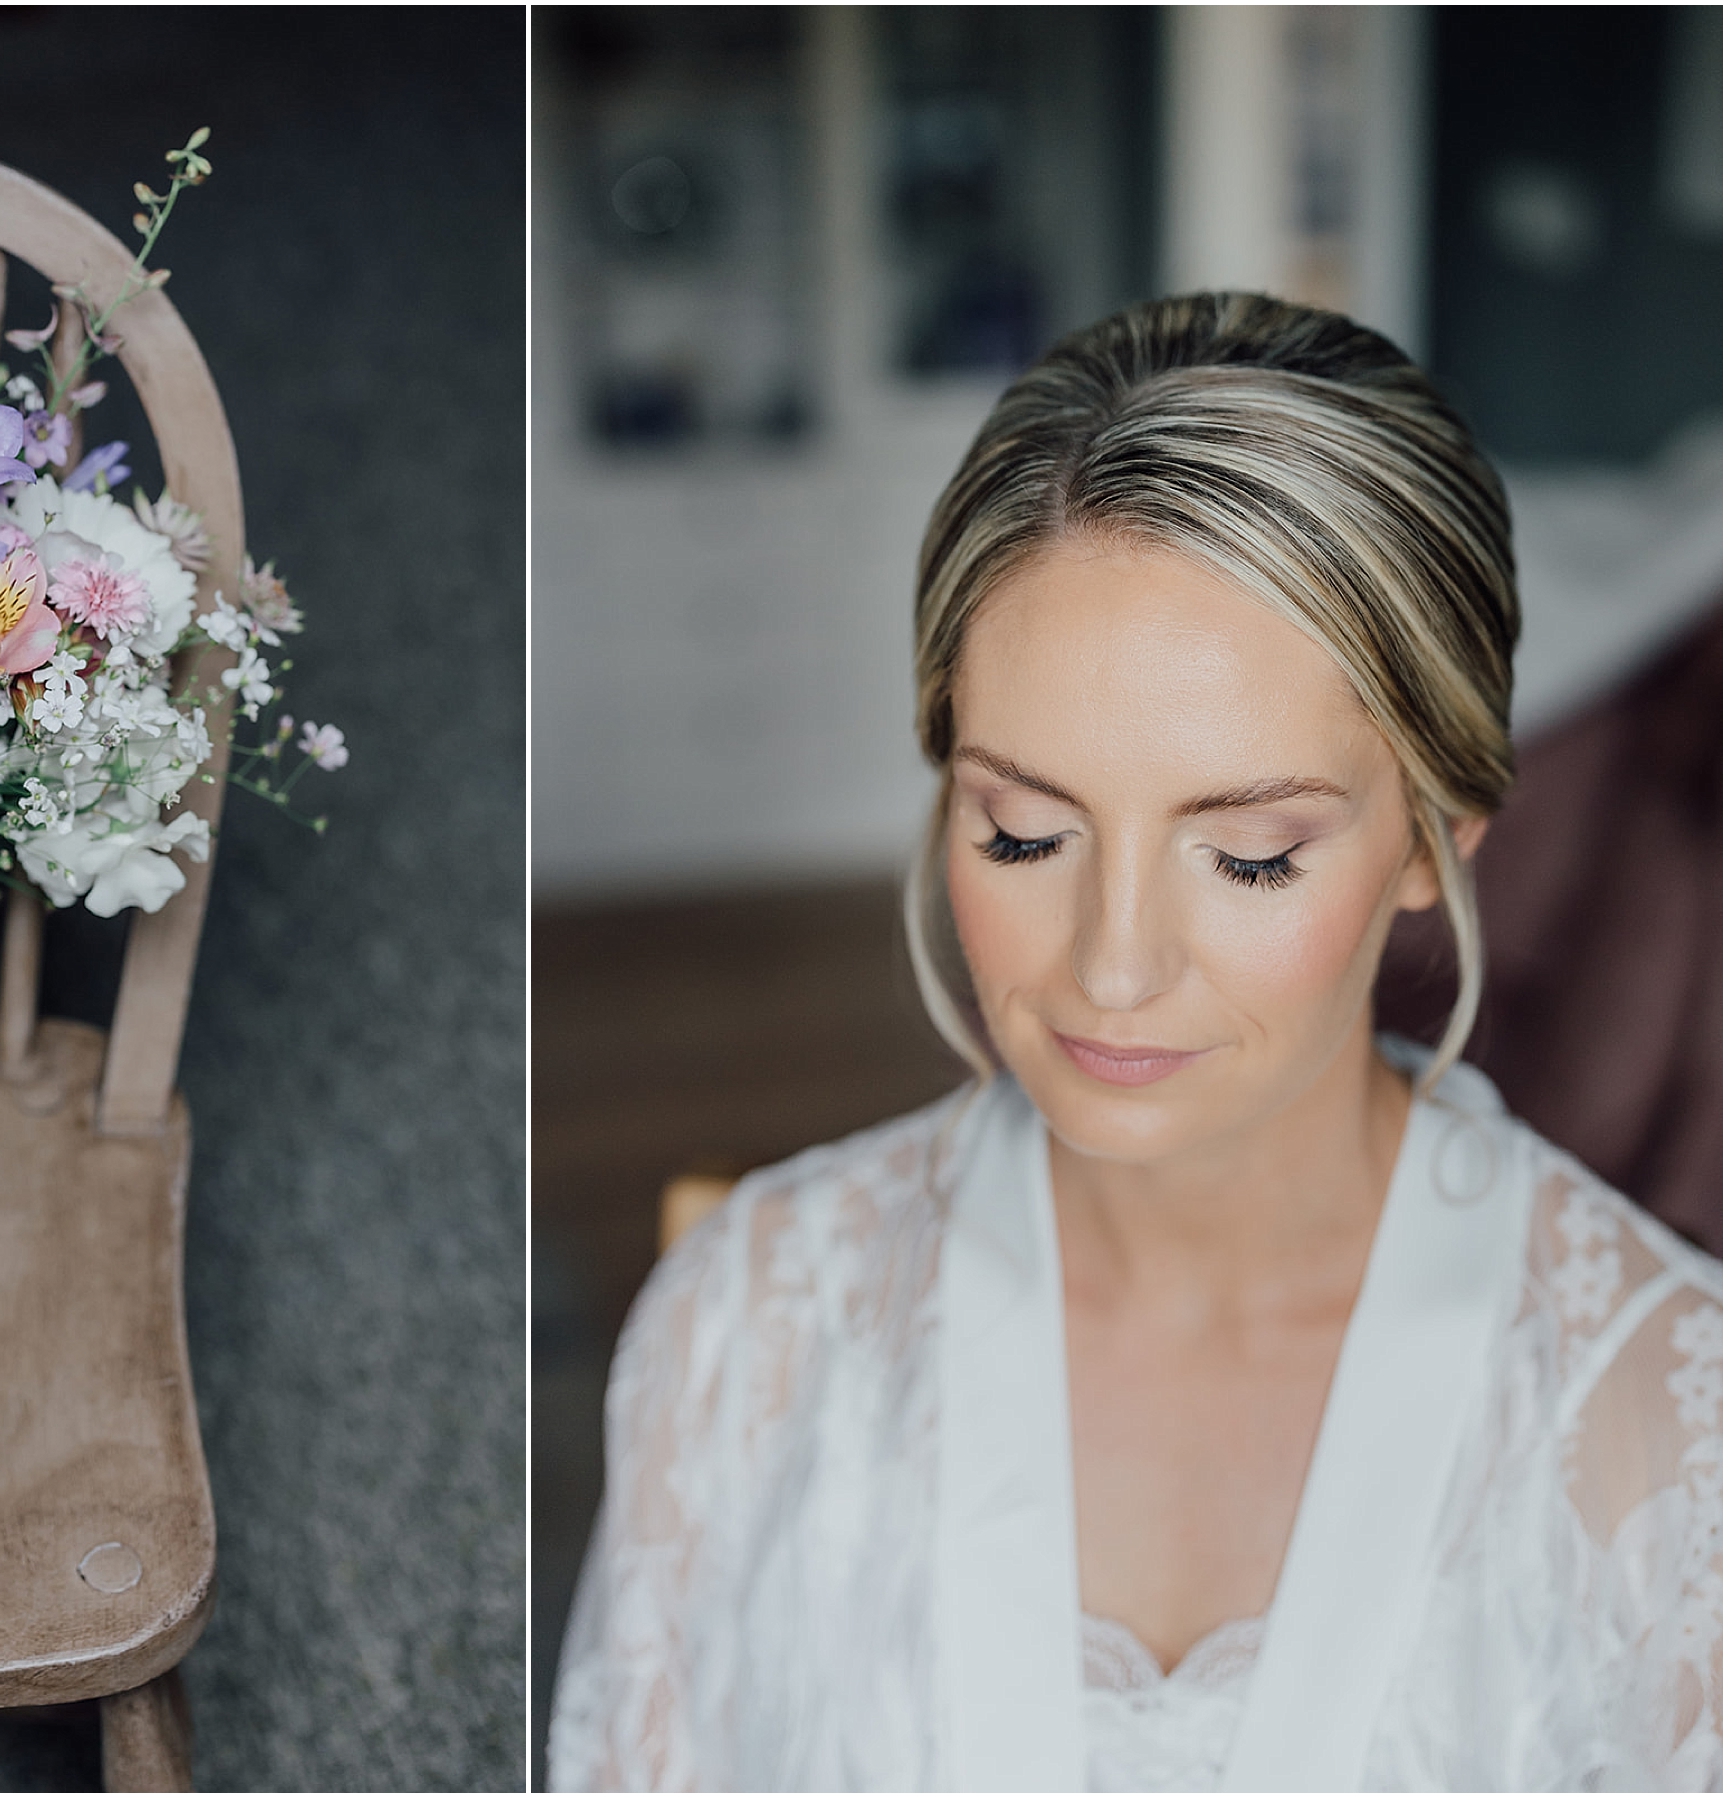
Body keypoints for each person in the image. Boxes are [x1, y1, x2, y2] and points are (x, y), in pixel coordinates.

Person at [545, 294, 1722, 1791]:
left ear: (1438, 838)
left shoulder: (1673, 1442)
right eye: (1023, 832)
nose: (1111, 964)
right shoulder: (749, 1329)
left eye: (1250, 857)